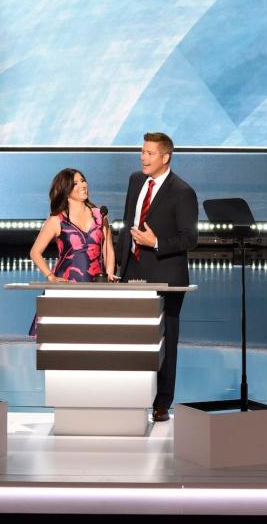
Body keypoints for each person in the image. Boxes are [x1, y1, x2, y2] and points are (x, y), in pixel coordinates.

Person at [117, 132, 198, 422]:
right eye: (142, 151)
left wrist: (157, 243)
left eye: (150, 153)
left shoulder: (182, 191)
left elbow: (190, 238)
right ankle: (132, 396)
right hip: (132, 272)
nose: (143, 157)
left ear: (165, 157)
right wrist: (117, 266)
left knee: (166, 339)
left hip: (166, 274)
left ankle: (162, 402)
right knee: (132, 339)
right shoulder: (135, 181)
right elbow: (128, 224)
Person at [30, 169, 116, 283]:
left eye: (83, 181)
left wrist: (109, 274)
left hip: (96, 284)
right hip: (65, 285)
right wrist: (50, 276)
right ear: (65, 190)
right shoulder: (56, 220)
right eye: (75, 183)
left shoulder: (100, 215)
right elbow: (35, 252)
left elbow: (108, 251)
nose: (82, 185)